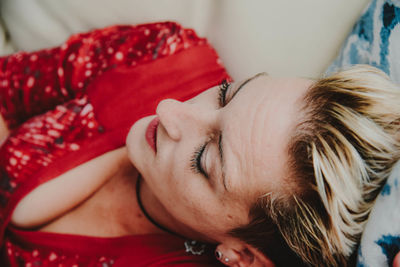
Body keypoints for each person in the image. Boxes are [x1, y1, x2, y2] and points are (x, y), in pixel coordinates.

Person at [0, 21, 399, 267]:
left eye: (206, 158)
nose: (170, 110)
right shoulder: (169, 55)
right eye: (225, 94)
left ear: (241, 254)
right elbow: (8, 84)